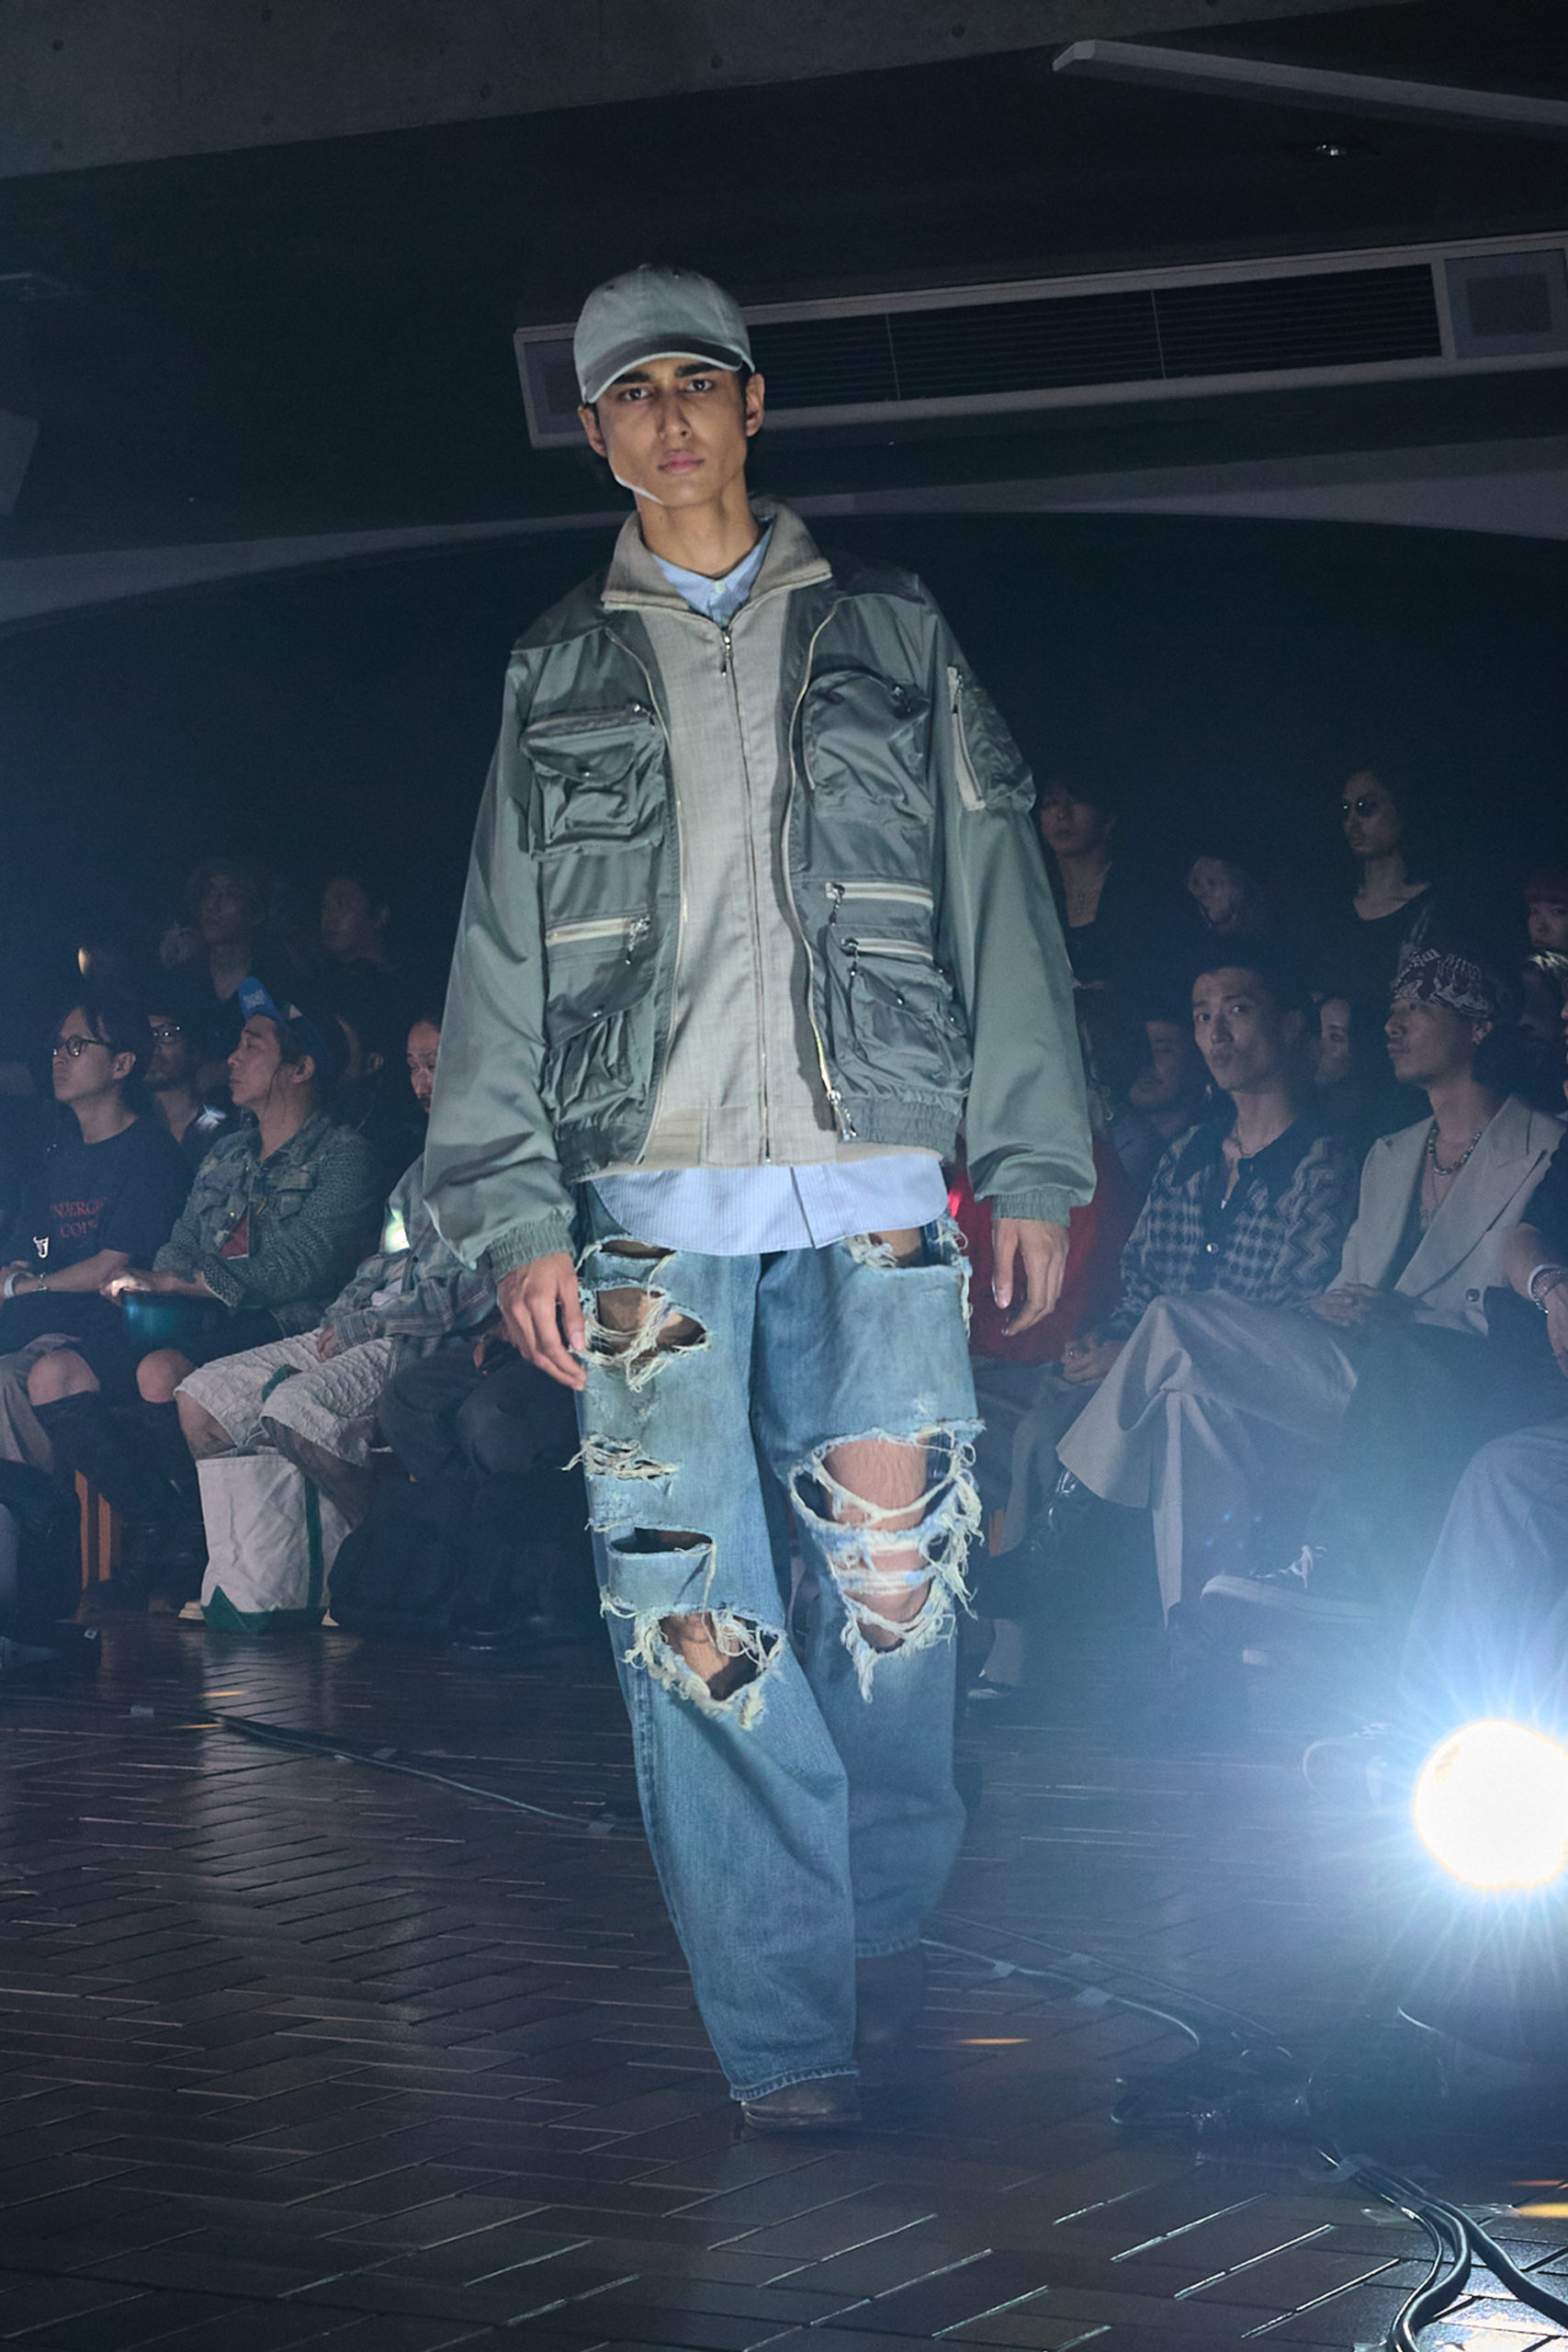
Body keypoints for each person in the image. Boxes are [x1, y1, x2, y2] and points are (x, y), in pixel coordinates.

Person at [424, 263, 1092, 2131]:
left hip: (878, 1202)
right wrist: (515, 1212)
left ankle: (874, 1923)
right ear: (593, 430)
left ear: (751, 403)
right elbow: (498, 952)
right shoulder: (556, 666)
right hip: (647, 1226)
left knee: (895, 1602)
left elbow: (995, 895)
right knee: (691, 1622)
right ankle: (788, 2027)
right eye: (630, 393)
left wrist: (1029, 1159)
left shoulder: (888, 630)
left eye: (695, 383)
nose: (668, 419)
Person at [1206, 951, 1564, 1631]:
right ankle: (1211, 1611)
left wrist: (1407, 1316)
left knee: (1175, 1335)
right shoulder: (1390, 1152)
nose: (1393, 1025)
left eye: (1418, 1008)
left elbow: (1506, 1307)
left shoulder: (1544, 1144)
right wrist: (1330, 1305)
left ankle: (1322, 1569)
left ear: (1478, 1027)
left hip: (1447, 1376)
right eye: (1394, 1009)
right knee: (1186, 1379)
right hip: (1352, 1361)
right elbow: (1351, 1279)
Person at [998, 953, 1358, 1611]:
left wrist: (1135, 1352)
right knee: (1040, 1429)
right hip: (1150, 1369)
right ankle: (1019, 1637)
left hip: (1248, 1384)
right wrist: (1103, 1345)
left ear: (1287, 1026)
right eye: (1202, 1017)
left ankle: (1054, 1556)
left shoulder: (1319, 1160)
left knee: (1167, 1393)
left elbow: (1290, 1304)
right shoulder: (1189, 1154)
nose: (1216, 1033)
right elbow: (1141, 1284)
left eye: (1237, 1010)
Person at [29, 979, 378, 1601]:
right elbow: (181, 1241)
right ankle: (155, 1523)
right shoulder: (227, 1153)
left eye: (252, 1046)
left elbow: (300, 1265)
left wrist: (178, 1282)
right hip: (195, 1315)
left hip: (281, 1323)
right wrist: (154, 1284)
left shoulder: (342, 1155)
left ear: (300, 1068)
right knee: (54, 1374)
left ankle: (195, 1540)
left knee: (160, 1371)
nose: (233, 1059)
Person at [172, 1012, 493, 1536]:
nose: (422, 1082)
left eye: (434, 1064)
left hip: (413, 1340)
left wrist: (362, 1326)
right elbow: (385, 1262)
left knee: (297, 1409)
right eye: (414, 1067)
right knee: (202, 1396)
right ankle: (263, 1569)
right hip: (357, 1325)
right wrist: (343, 1316)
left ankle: (386, 1552)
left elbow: (464, 1298)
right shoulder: (420, 1171)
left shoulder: (500, 1166)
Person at [0, 989, 191, 1470]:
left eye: (77, 1046)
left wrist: (27, 1285)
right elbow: (27, 1250)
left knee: (6, 1382)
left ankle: (39, 1506)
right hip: (41, 1331)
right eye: (58, 1046)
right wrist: (20, 1272)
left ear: (122, 1063)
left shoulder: (150, 1153)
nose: (59, 1058)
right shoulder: (55, 1162)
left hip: (107, 1340)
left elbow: (112, 1265)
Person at [1310, 766, 1438, 1015]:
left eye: (1366, 807)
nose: (1352, 822)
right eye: (1346, 810)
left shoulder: (1433, 909)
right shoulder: (1331, 906)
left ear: (1400, 808)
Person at [143, 985, 241, 1168]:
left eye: (167, 1034)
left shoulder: (224, 1133)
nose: (154, 1046)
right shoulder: (127, 1128)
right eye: (145, 1035)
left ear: (194, 1047)